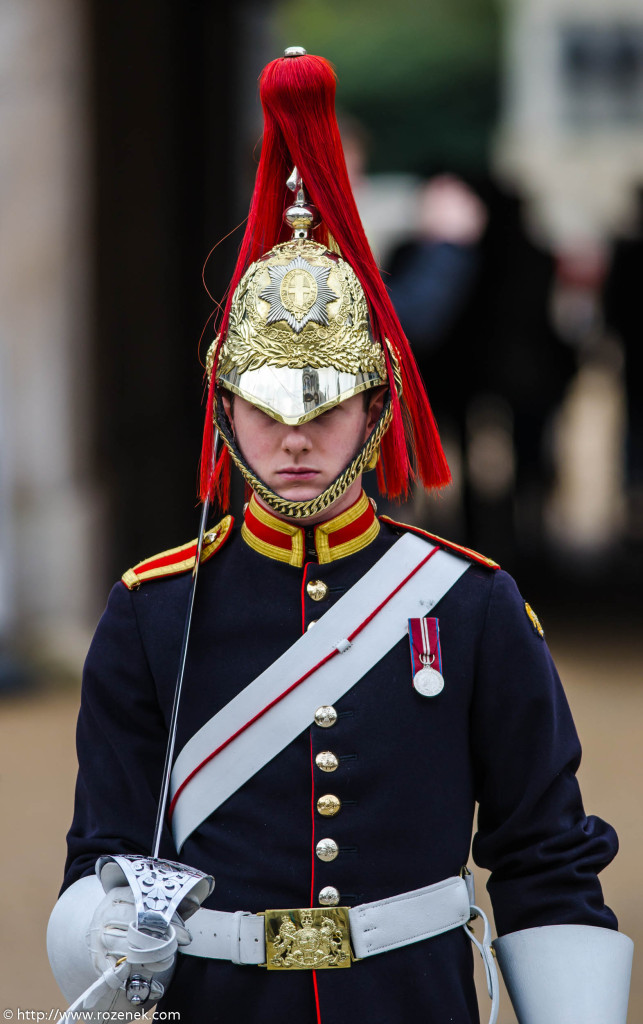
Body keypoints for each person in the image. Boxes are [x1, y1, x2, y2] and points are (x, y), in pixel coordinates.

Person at [47, 49, 632, 1024]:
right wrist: (103, 929)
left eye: (324, 403)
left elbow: (542, 855)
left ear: (376, 406)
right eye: (267, 404)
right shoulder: (151, 611)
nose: (294, 435)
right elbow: (103, 849)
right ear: (224, 408)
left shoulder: (470, 602)